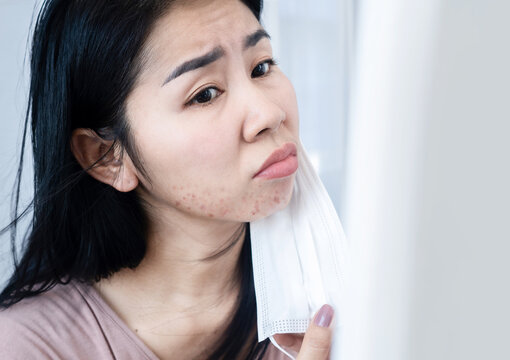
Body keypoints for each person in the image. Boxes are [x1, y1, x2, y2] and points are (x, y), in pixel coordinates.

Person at [0, 0, 334, 359]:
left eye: (261, 67)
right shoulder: (27, 347)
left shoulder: (331, 302)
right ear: (107, 156)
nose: (270, 113)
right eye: (205, 94)